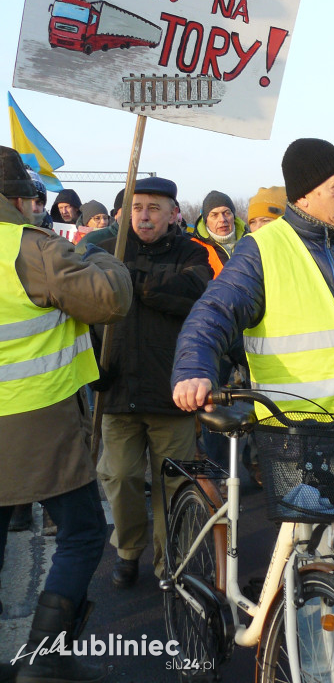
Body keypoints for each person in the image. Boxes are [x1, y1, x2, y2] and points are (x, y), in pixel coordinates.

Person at [172, 137, 334, 683]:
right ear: (306, 192)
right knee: (315, 576)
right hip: (298, 437)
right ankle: (319, 674)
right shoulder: (264, 250)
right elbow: (214, 313)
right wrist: (194, 368)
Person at [0, 146, 132, 683]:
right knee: (81, 532)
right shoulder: (31, 248)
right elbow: (108, 299)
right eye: (30, 198)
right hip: (35, 418)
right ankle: (45, 658)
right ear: (16, 200)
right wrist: (100, 255)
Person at [94, 176, 214, 588]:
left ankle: (171, 564)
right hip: (117, 389)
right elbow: (82, 312)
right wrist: (94, 364)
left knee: (173, 483)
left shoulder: (192, 253)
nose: (144, 216)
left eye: (154, 209)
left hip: (172, 392)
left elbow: (193, 293)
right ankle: (128, 549)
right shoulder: (102, 252)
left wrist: (132, 282)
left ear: (173, 214)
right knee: (121, 477)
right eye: (137, 207)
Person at [192, 190, 246, 276]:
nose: (222, 219)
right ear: (206, 221)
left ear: (234, 216)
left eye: (227, 213)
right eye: (214, 215)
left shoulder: (249, 242)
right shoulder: (194, 248)